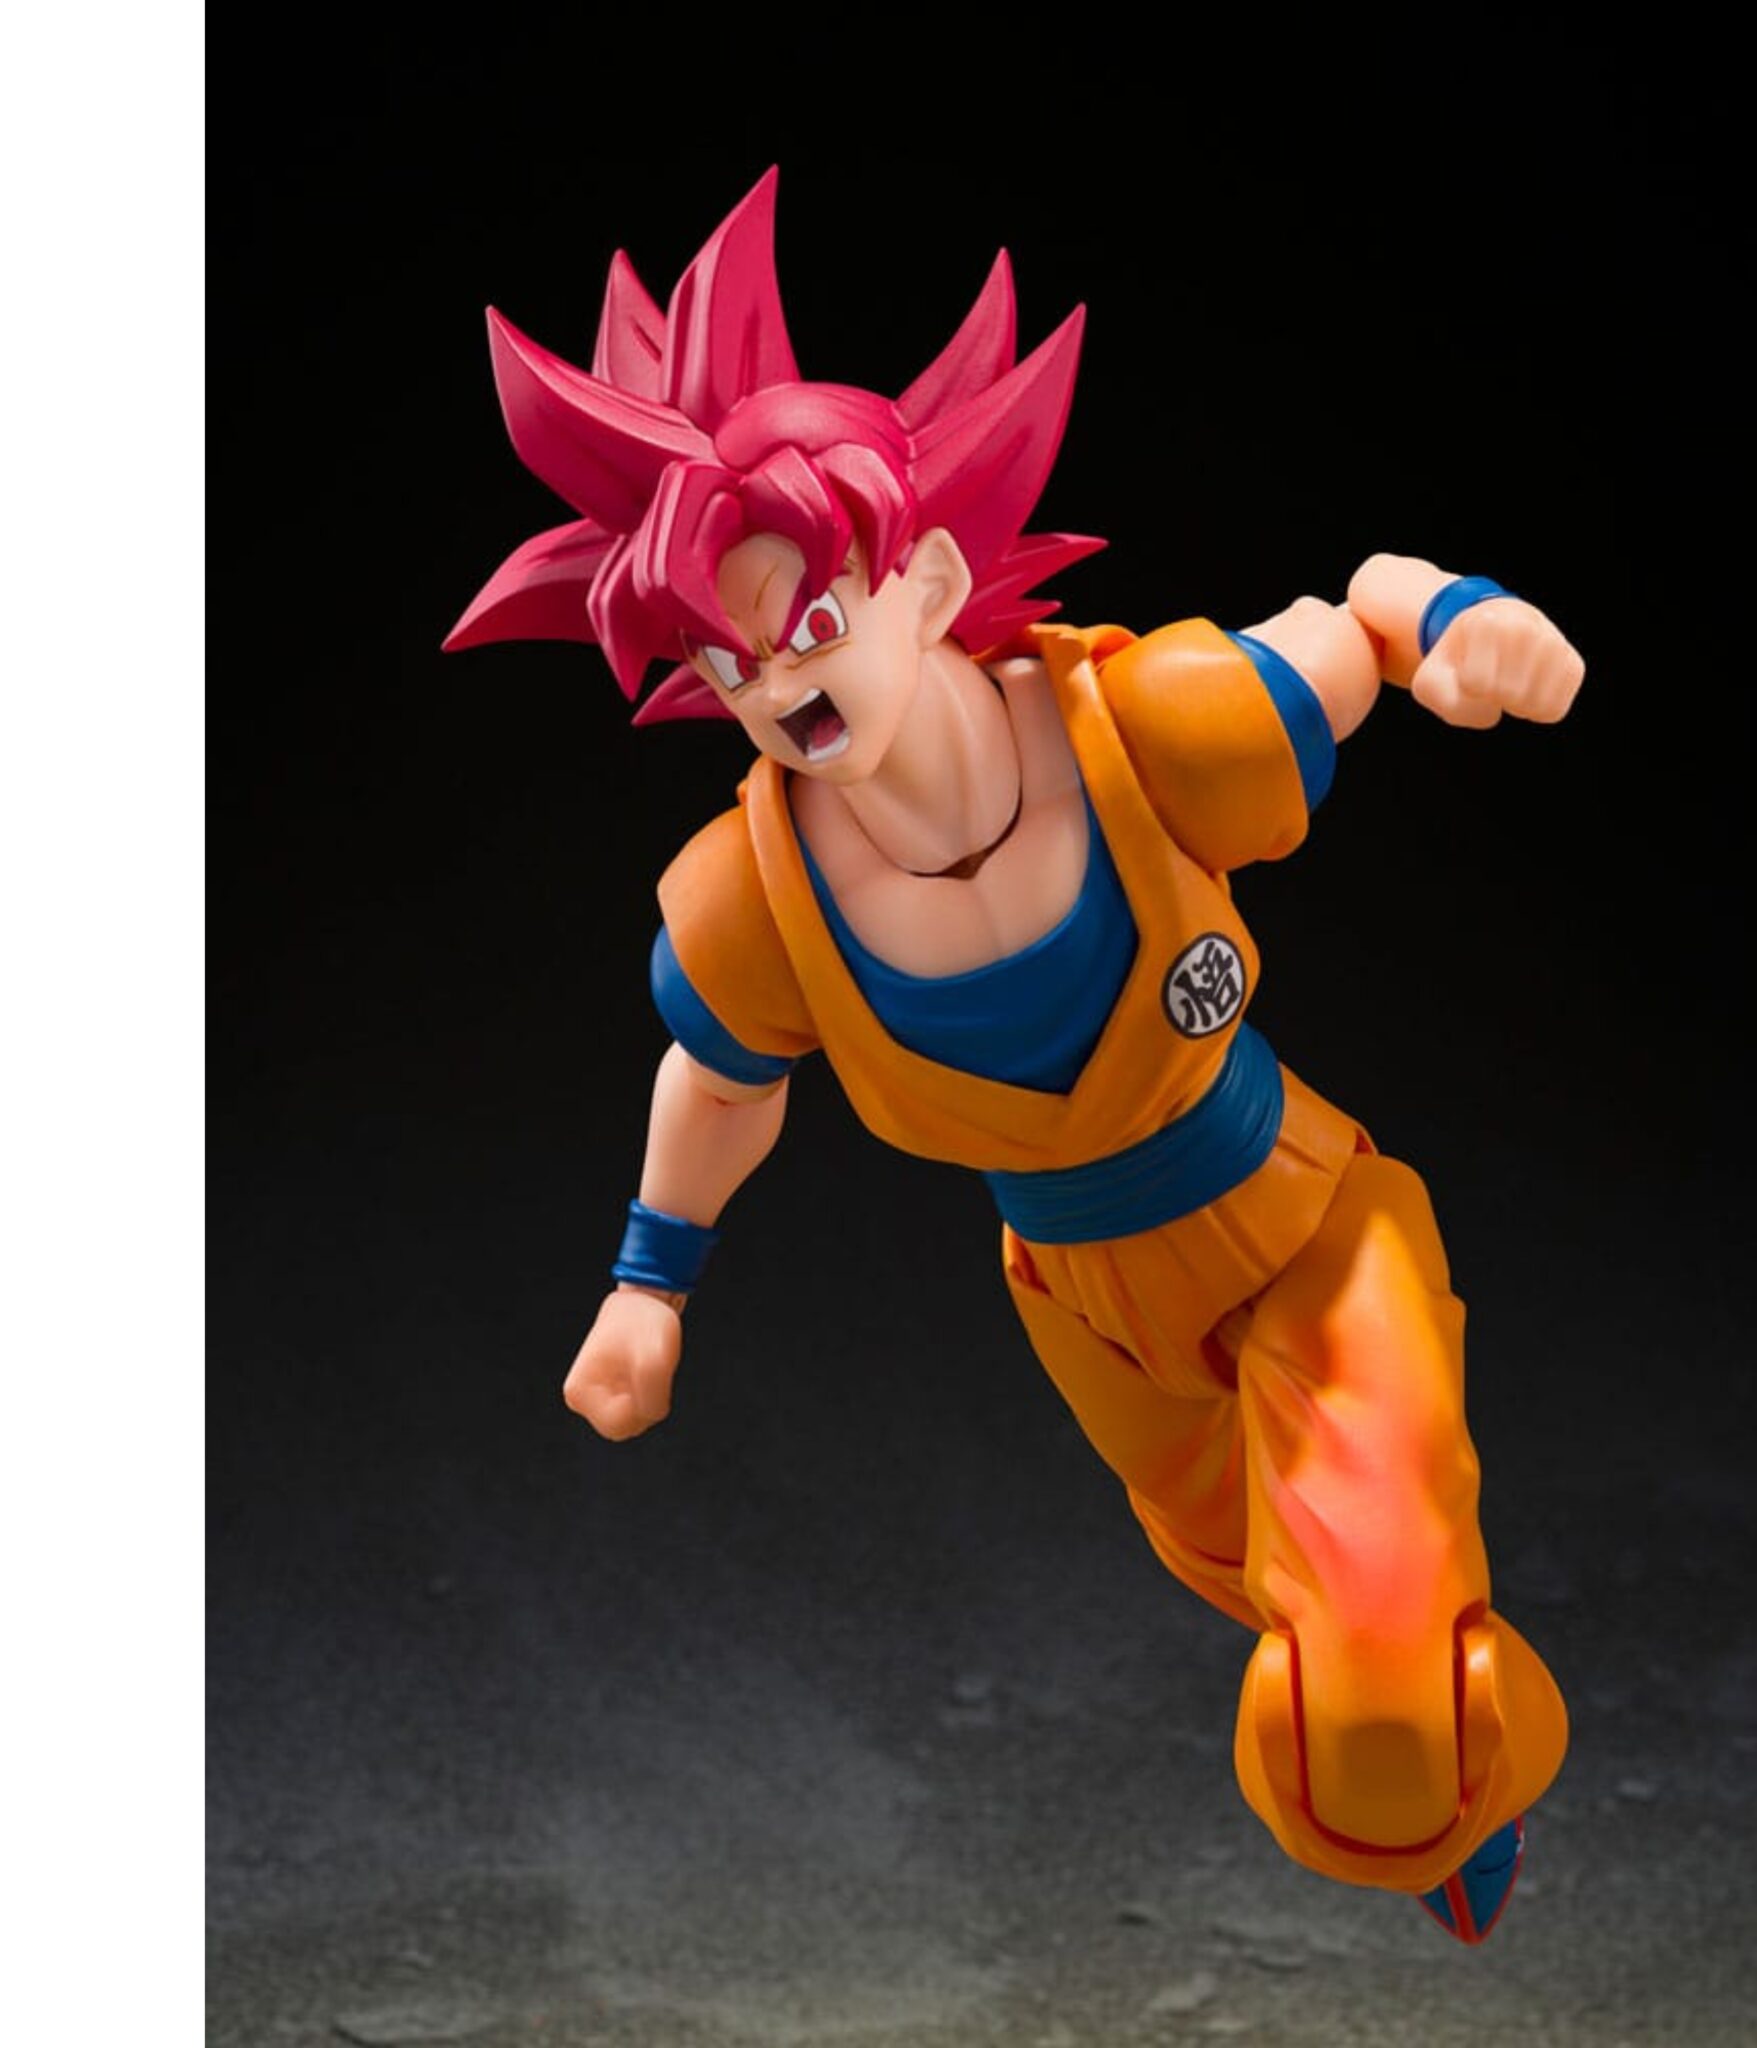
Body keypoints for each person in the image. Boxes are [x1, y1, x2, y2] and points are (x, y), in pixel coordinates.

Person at [447, 169, 1584, 1945]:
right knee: (1291, 1616)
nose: (779, 686)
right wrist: (648, 1282)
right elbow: (722, 1078)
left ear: (928, 580)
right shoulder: (760, 898)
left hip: (1301, 1225)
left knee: (1370, 1689)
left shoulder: (1158, 735)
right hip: (1089, 1309)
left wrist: (1450, 615)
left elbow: (1355, 620)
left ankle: (1436, 1762)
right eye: (731, 661)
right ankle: (1430, 1753)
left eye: (808, 623)